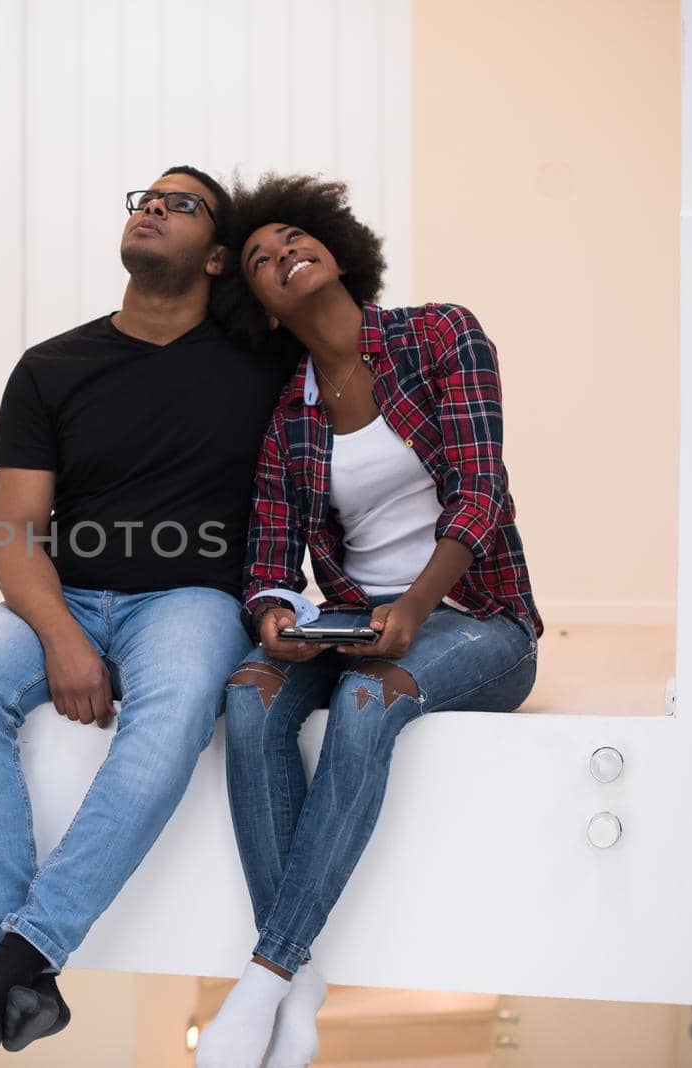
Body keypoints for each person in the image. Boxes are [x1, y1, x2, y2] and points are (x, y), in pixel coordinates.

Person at [0, 166, 293, 1054]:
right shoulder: (52, 366)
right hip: (68, 592)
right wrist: (61, 637)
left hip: (192, 600)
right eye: (145, 198)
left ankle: (20, 956)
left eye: (181, 202)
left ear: (216, 259)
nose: (153, 207)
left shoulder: (265, 364)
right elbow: (15, 532)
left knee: (172, 713)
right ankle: (24, 960)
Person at [196, 174, 544, 1068]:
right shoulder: (290, 414)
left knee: (365, 701)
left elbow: (480, 492)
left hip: (477, 619)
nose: (283, 256)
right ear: (263, 308)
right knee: (248, 697)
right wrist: (275, 615)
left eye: (293, 239)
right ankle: (300, 980)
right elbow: (269, 555)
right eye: (264, 261)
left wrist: (414, 608)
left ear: (338, 249)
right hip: (353, 616)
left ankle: (269, 974)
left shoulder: (439, 335)